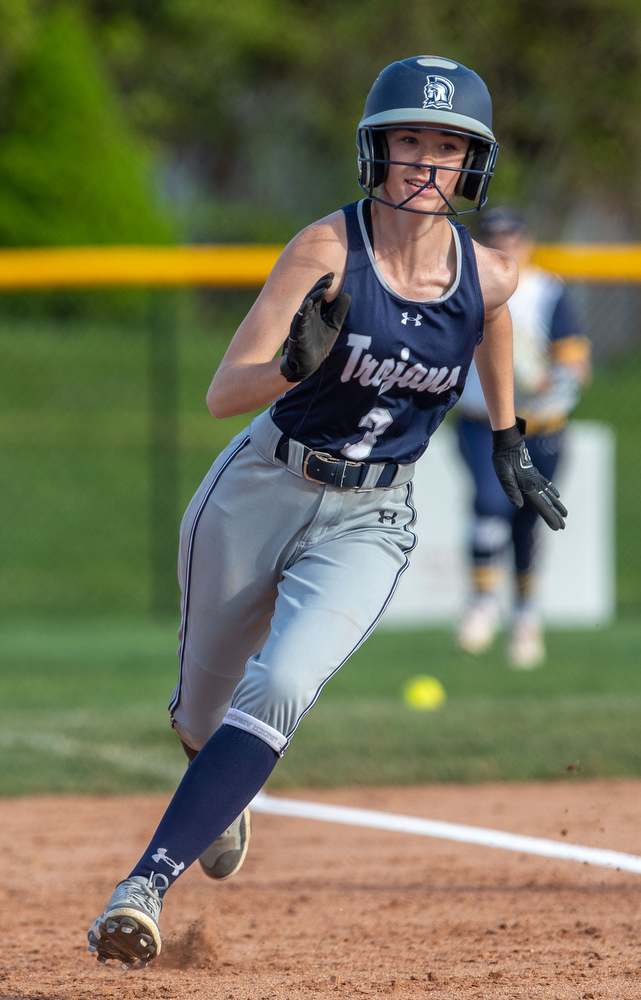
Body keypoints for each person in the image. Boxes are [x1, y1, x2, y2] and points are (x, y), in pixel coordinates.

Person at [86, 55, 566, 971]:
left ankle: (141, 885)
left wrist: (509, 437)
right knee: (200, 712)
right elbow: (226, 394)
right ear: (376, 151)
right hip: (259, 489)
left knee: (282, 686)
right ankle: (218, 781)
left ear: (474, 167)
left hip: (372, 518)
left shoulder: (487, 270)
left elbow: (494, 311)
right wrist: (294, 368)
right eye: (411, 141)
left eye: (449, 147)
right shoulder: (327, 251)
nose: (428, 163)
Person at [455, 209, 589, 668]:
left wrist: (558, 380)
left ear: (527, 242)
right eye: (493, 237)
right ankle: (482, 601)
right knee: (491, 502)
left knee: (528, 524)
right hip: (483, 421)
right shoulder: (463, 286)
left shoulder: (547, 291)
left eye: (512, 236)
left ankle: (526, 615)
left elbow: (575, 360)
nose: (504, 244)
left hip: (542, 427)